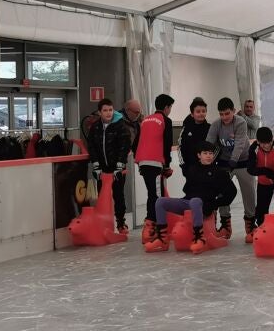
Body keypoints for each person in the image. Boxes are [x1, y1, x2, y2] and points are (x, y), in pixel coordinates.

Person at [146, 141, 237, 254]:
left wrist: (214, 204)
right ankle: (162, 239)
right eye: (205, 153)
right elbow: (188, 189)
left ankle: (200, 238)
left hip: (204, 205)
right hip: (189, 202)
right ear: (199, 155)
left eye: (210, 153)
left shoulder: (219, 172)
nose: (209, 156)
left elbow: (232, 192)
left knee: (195, 201)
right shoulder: (193, 169)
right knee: (160, 201)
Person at [206, 97, 256, 241]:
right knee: (222, 192)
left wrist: (233, 161)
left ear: (233, 111)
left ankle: (250, 225)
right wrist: (207, 160)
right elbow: (209, 143)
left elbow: (240, 143)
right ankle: (225, 225)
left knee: (249, 193)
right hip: (224, 162)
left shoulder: (241, 122)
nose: (224, 117)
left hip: (243, 161)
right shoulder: (216, 124)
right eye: (221, 114)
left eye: (227, 114)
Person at [86, 98, 132, 234]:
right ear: (100, 112)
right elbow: (92, 146)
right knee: (102, 196)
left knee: (118, 195)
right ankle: (103, 223)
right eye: (105, 110)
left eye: (110, 110)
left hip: (117, 168)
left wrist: (120, 165)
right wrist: (96, 165)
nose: (108, 113)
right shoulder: (95, 127)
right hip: (102, 169)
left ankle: (121, 222)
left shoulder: (120, 125)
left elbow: (125, 146)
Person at [135, 94, 175, 242]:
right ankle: (154, 227)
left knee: (152, 193)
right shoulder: (166, 120)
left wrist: (139, 160)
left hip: (143, 161)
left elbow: (136, 142)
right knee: (157, 197)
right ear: (166, 107)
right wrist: (167, 165)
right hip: (155, 162)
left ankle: (152, 227)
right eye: (170, 107)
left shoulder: (145, 120)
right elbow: (167, 145)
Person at [246, 127, 274, 239]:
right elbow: (251, 169)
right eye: (263, 143)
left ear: (272, 140)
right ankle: (262, 228)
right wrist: (266, 171)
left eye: (268, 143)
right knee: (262, 207)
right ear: (258, 142)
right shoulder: (254, 149)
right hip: (264, 181)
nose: (266, 146)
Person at [178, 97, 211, 179]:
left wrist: (212, 163)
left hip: (207, 168)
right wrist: (183, 165)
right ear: (192, 114)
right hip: (190, 168)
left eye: (203, 111)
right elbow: (180, 147)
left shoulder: (210, 128)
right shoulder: (186, 128)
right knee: (192, 191)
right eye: (198, 111)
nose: (201, 114)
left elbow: (215, 147)